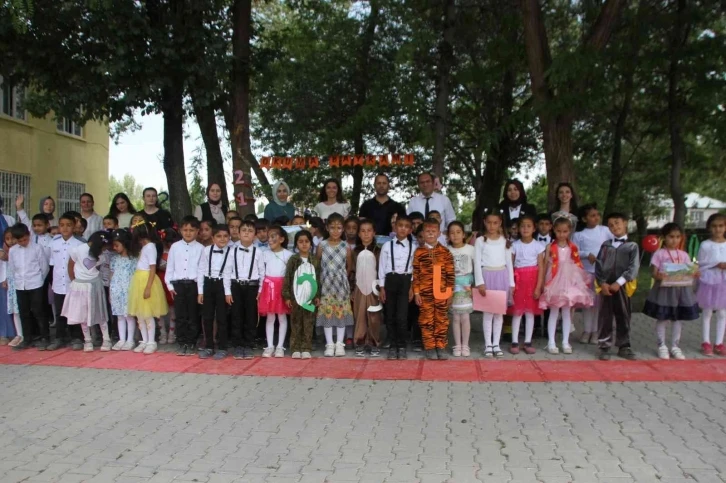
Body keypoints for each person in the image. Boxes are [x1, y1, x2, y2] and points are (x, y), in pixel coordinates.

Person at [643, 223, 699, 360]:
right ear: (664, 237)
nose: (674, 240)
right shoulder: (659, 254)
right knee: (662, 317)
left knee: (678, 318)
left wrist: (694, 273)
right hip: (664, 291)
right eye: (671, 237)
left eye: (677, 237)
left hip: (681, 291)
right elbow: (654, 273)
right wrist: (659, 276)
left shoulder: (684, 255)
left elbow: (689, 271)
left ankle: (675, 346)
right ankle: (661, 345)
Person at [538, 216, 593, 354]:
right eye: (558, 231)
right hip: (554, 280)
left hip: (569, 280)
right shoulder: (550, 247)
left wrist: (580, 280)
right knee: (554, 311)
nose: (561, 234)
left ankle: (565, 342)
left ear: (569, 231)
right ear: (554, 230)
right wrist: (543, 282)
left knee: (567, 311)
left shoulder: (572, 247)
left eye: (565, 231)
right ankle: (551, 342)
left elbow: (577, 263)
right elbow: (545, 265)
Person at [595, 213, 639, 361]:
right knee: (605, 316)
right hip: (606, 286)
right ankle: (604, 346)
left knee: (623, 315)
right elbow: (599, 265)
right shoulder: (605, 245)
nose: (615, 227)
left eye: (617, 223)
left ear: (625, 223)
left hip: (622, 286)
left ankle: (624, 345)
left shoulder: (632, 246)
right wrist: (602, 283)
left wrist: (619, 282)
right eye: (611, 225)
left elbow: (633, 268)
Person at [61, 231, 112, 352]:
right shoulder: (78, 250)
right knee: (81, 314)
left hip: (94, 285)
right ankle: (87, 340)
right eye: (104, 247)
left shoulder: (102, 256)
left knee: (100, 313)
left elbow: (95, 268)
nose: (105, 250)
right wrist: (74, 280)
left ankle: (106, 339)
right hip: (79, 286)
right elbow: (70, 265)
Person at [474, 209, 514, 358]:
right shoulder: (480, 241)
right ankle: (488, 345)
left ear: (500, 223)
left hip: (502, 277)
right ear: (484, 222)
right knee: (488, 313)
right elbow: (477, 262)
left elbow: (509, 263)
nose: (492, 226)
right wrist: (480, 282)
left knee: (499, 313)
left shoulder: (505, 241)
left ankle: (496, 344)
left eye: (495, 223)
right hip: (487, 277)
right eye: (489, 222)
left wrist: (511, 283)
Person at [413, 218, 455, 360]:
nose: (430, 233)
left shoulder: (445, 252)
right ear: (423, 233)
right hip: (425, 293)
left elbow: (450, 274)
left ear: (439, 233)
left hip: (442, 293)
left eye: (433, 231)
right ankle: (430, 346)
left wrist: (449, 293)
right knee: (426, 320)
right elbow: (416, 274)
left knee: (441, 320)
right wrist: (416, 292)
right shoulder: (419, 252)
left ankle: (441, 346)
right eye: (427, 231)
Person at [572, 204, 614, 344]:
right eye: (592, 216)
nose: (596, 218)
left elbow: (614, 244)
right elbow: (575, 251)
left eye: (597, 215)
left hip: (601, 274)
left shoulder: (605, 230)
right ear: (584, 219)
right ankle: (586, 330)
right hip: (586, 272)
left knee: (598, 304)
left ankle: (596, 331)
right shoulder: (579, 235)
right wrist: (586, 254)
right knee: (587, 304)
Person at [316, 213, 354, 357]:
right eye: (332, 228)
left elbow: (349, 266)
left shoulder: (346, 246)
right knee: (327, 313)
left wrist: (341, 277)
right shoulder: (322, 245)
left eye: (339, 228)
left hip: (341, 286)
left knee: (340, 314)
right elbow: (317, 265)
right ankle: (329, 343)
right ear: (327, 228)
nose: (336, 231)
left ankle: (339, 343)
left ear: (343, 229)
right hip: (325, 285)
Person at [127, 222, 169, 354]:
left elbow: (152, 268)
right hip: (139, 280)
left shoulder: (150, 247)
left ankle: (151, 341)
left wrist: (148, 287)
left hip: (146, 280)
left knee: (147, 314)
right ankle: (144, 340)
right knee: (140, 314)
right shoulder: (144, 247)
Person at [8, 223, 50, 350]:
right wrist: (18, 280)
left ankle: (45, 337)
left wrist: (39, 281)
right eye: (19, 241)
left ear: (28, 235)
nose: (23, 242)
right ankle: (27, 338)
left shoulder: (37, 248)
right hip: (20, 285)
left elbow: (44, 267)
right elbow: (12, 268)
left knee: (39, 311)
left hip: (35, 284)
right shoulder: (13, 250)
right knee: (24, 312)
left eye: (25, 239)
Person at [165, 216, 203, 356]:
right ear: (180, 230)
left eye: (191, 230)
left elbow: (201, 271)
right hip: (178, 285)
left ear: (197, 231)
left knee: (193, 315)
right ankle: (182, 342)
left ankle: (192, 341)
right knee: (180, 315)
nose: (188, 233)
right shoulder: (175, 247)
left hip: (193, 285)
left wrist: (200, 291)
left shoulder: (201, 248)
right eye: (185, 230)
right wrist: (170, 286)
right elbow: (170, 267)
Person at [379, 215, 414, 360]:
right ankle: (393, 346)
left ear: (410, 230)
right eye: (400, 225)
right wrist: (382, 287)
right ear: (395, 227)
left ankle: (402, 345)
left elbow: (414, 269)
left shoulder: (413, 247)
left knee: (402, 316)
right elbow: (382, 267)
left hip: (405, 281)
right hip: (390, 280)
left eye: (406, 226)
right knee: (390, 315)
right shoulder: (387, 246)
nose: (403, 229)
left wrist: (412, 287)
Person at [47, 214, 85, 351]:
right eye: (62, 225)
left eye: (69, 225)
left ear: (74, 227)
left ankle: (77, 337)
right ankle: (59, 337)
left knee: (74, 311)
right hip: (58, 284)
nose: (65, 228)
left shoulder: (79, 244)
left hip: (73, 284)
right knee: (59, 312)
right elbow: (52, 264)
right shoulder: (54, 243)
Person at [228, 220, 264, 360]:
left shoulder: (259, 252)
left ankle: (249, 344)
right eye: (244, 230)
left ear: (255, 235)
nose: (246, 233)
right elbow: (227, 272)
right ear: (238, 233)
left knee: (250, 316)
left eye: (250, 231)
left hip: (252, 287)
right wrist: (227, 291)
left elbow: (262, 272)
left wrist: (260, 290)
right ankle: (238, 344)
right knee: (236, 315)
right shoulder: (232, 251)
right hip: (235, 286)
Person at [509, 215, 545, 355]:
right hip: (518, 281)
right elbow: (511, 265)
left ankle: (528, 341)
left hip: (532, 281)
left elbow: (541, 267)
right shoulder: (514, 246)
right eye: (522, 226)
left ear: (534, 228)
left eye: (529, 226)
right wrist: (511, 284)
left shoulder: (538, 246)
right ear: (518, 229)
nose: (525, 229)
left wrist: (538, 287)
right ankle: (514, 341)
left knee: (530, 312)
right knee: (517, 312)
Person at [196, 224, 233, 360]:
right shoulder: (206, 250)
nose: (222, 239)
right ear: (213, 238)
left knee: (222, 317)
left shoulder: (232, 252)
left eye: (225, 236)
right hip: (208, 283)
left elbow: (229, 272)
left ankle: (223, 347)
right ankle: (209, 346)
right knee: (207, 317)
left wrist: (227, 292)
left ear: (229, 238)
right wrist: (200, 291)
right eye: (219, 236)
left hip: (223, 284)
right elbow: (201, 270)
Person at [283, 230, 320, 359]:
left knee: (308, 323)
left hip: (310, 297)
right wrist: (287, 296)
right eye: (300, 242)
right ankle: (295, 348)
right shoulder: (293, 260)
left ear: (311, 244)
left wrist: (317, 295)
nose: (304, 244)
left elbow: (317, 279)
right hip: (296, 297)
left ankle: (306, 348)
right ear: (296, 244)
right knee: (296, 322)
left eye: (306, 241)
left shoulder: (315, 260)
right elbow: (287, 278)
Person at [259, 226, 292, 357]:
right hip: (268, 288)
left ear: (282, 239)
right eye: (269, 237)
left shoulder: (288, 255)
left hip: (282, 288)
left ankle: (280, 346)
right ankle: (269, 346)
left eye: (273, 236)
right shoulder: (264, 254)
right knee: (270, 317)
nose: (270, 239)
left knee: (282, 316)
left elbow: (290, 274)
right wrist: (261, 289)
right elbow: (262, 272)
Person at [351, 219, 382, 357]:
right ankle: (360, 342)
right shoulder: (355, 251)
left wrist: (381, 289)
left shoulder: (378, 250)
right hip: (359, 288)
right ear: (359, 234)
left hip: (374, 289)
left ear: (374, 233)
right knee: (360, 316)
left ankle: (374, 342)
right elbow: (352, 270)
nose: (366, 234)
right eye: (363, 231)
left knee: (374, 317)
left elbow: (381, 270)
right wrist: (352, 289)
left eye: (369, 231)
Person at [698, 213, 726, 356]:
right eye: (714, 226)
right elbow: (701, 263)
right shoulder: (705, 245)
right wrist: (716, 264)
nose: (718, 229)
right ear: (709, 228)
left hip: (724, 282)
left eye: (721, 226)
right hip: (709, 281)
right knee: (707, 311)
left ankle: (719, 343)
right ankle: (706, 342)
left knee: (722, 312)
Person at [447, 221, 474, 357]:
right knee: (456, 317)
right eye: (452, 233)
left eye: (458, 232)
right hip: (452, 287)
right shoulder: (447, 250)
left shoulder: (471, 249)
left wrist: (474, 286)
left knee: (465, 317)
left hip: (466, 287)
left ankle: (465, 345)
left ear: (464, 234)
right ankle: (457, 345)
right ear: (448, 236)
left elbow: (476, 268)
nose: (455, 235)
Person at [109, 229, 137, 351]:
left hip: (129, 290)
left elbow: (135, 276)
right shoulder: (114, 259)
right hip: (116, 290)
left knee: (129, 315)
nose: (114, 248)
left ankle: (130, 340)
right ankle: (121, 339)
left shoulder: (133, 259)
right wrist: (110, 292)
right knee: (120, 315)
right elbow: (111, 274)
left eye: (117, 245)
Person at [2, 230, 22, 347]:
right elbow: (8, 268)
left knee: (24, 310)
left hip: (22, 284)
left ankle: (27, 335)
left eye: (13, 238)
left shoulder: (20, 251)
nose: (11, 241)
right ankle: (19, 335)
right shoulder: (6, 252)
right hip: (12, 286)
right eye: (7, 239)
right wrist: (6, 279)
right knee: (15, 311)